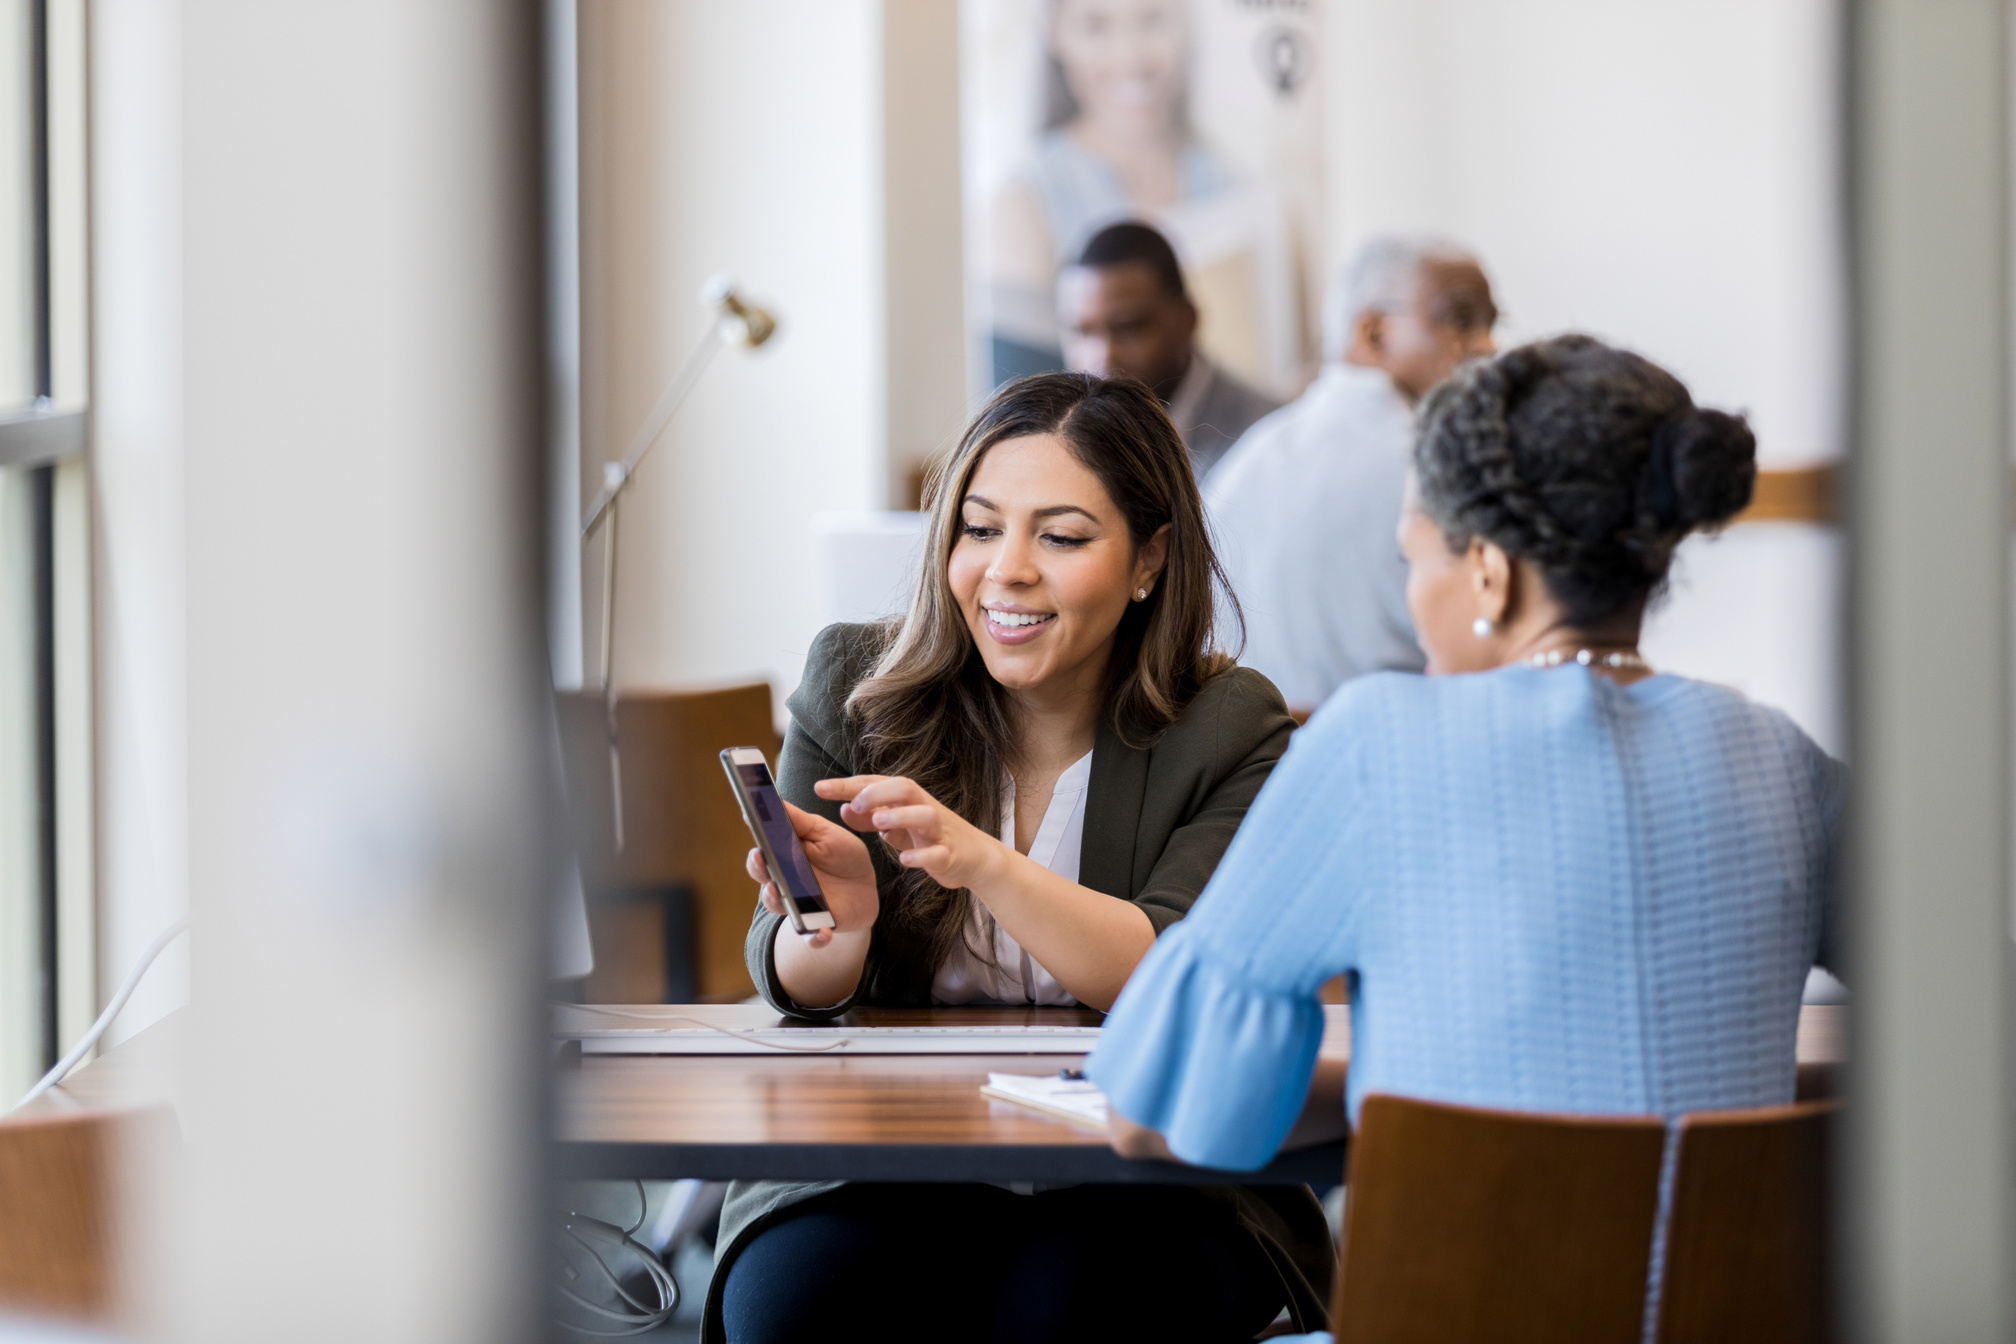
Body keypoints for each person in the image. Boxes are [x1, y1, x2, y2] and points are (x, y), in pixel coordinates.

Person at [1089, 335, 1841, 1183]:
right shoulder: (1784, 763)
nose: (1411, 598)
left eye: (1413, 558)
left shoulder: (1378, 742)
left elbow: (1155, 1113)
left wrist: (1392, 1094)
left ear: (1488, 573)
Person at [705, 372, 1333, 1343]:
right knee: (802, 1308)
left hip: (1149, 1176)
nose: (1007, 570)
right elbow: (800, 981)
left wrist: (983, 861)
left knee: (1070, 1313)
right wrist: (836, 923)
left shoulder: (1230, 723)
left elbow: (1168, 971)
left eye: (1062, 536)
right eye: (980, 528)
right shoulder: (856, 686)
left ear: (1149, 560)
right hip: (886, 1165)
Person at [1205, 235, 1499, 713]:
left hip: (1249, 773)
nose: (1489, 346)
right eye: (1461, 320)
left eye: (1492, 323)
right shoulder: (1439, 464)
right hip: (1404, 761)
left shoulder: (1247, 460)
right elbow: (1497, 660)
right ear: (1373, 332)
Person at [986, 0, 1308, 392]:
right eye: (1095, 25)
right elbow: (1017, 409)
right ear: (1055, 33)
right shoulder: (1024, 202)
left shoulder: (1241, 186)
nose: (1131, 56)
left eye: (1153, 19)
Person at [1058, 221, 1280, 483]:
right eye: (1082, 332)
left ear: (1188, 320)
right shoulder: (1061, 435)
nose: (1103, 357)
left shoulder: (1265, 440)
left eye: (1128, 328)